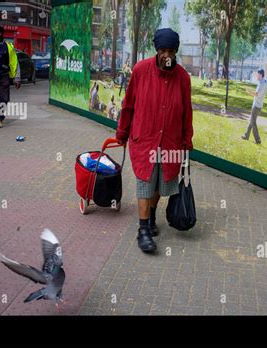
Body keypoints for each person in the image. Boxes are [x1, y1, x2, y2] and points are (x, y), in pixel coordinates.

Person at [115, 28, 193, 253]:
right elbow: (128, 104)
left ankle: (150, 214)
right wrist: (122, 133)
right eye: (162, 50)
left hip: (170, 142)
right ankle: (143, 230)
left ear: (176, 52)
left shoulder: (183, 78)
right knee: (145, 182)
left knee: (161, 182)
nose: (166, 55)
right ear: (156, 50)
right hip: (144, 139)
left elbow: (187, 112)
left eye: (171, 51)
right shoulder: (141, 70)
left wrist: (187, 140)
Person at [241, 69, 267, 144]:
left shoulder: (261, 84)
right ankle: (246, 135)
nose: (256, 76)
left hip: (256, 106)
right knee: (251, 121)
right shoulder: (264, 82)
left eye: (257, 74)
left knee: (253, 122)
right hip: (259, 105)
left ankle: (258, 140)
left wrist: (248, 91)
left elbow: (256, 94)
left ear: (261, 75)